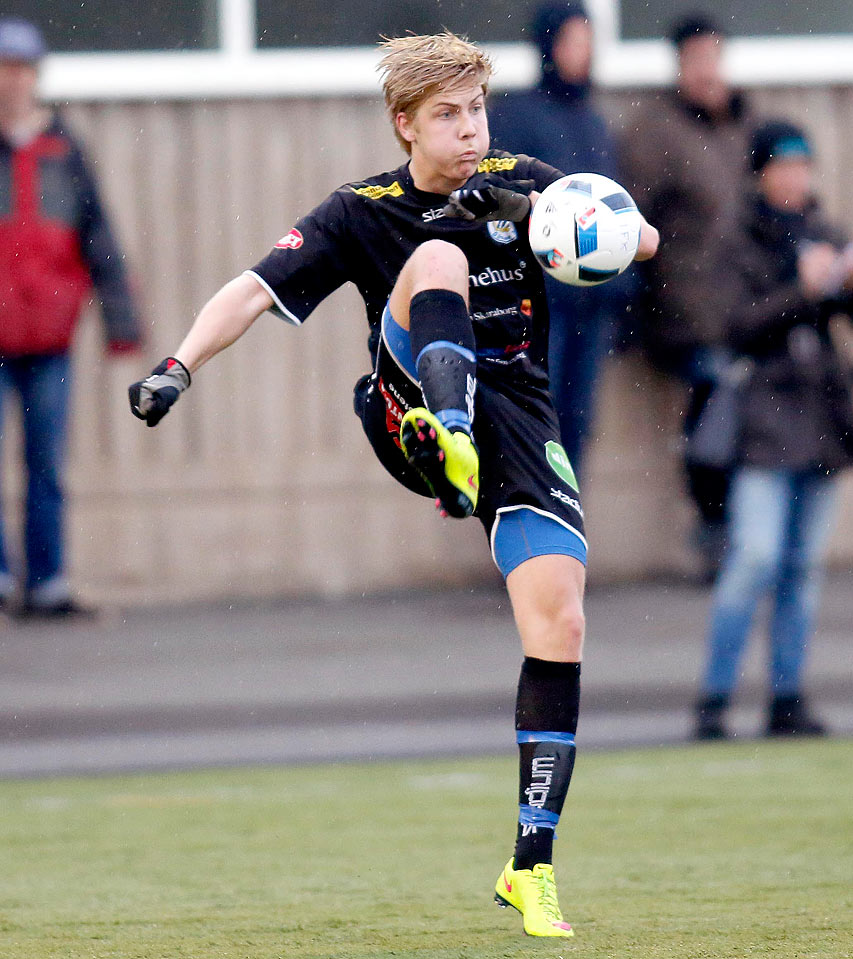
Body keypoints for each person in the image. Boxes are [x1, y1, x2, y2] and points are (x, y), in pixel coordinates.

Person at [125, 33, 658, 937]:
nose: (468, 131)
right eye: (447, 115)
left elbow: (641, 239)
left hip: (518, 417)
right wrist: (179, 363)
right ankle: (444, 433)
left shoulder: (519, 178)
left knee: (560, 617)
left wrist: (541, 209)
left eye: (476, 110)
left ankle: (530, 866)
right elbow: (253, 289)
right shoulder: (361, 210)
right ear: (403, 124)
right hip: (403, 400)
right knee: (439, 259)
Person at [692, 120, 853, 740]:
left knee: (803, 568)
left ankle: (787, 696)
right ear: (760, 173)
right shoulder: (736, 238)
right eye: (782, 165)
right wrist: (800, 293)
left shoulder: (826, 231)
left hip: (823, 415)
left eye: (803, 164)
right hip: (764, 419)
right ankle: (714, 698)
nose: (795, 177)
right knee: (754, 558)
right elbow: (730, 324)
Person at [0, 18, 140, 617]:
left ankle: (48, 580)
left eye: (22, 68)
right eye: (4, 67)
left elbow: (98, 237)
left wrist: (121, 321)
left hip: (49, 334)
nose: (13, 80)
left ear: (36, 75)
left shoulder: (64, 150)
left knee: (46, 463)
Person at [619, 12, 755, 579]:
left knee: (742, 417)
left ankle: (741, 534)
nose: (709, 70)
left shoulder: (742, 124)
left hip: (745, 302)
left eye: (715, 57)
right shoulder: (656, 131)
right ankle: (715, 534)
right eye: (698, 59)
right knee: (712, 419)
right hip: (689, 303)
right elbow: (632, 217)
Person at [487, 1, 635, 482]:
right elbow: (499, 204)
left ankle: (564, 535)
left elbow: (611, 210)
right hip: (540, 306)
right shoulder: (515, 116)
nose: (584, 53)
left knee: (576, 429)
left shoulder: (592, 120)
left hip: (592, 304)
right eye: (573, 41)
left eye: (589, 42)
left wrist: (623, 290)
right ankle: (531, 534)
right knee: (533, 425)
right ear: (549, 45)